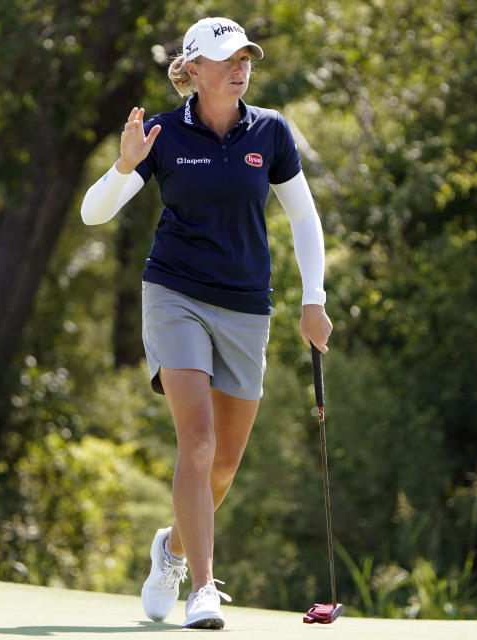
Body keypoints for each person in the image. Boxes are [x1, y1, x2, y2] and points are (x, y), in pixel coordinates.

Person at [80, 16, 332, 630]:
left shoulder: (269, 131)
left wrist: (314, 299)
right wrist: (123, 168)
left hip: (247, 305)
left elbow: (303, 218)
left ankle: (170, 548)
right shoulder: (162, 134)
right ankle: (202, 587)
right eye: (226, 58)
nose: (240, 67)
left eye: (245, 56)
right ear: (193, 69)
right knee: (196, 440)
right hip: (175, 293)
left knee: (222, 466)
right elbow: (93, 215)